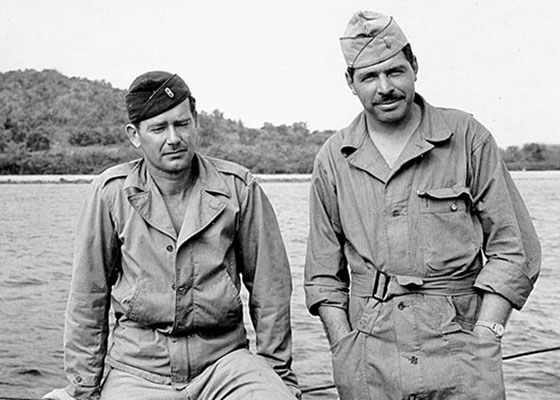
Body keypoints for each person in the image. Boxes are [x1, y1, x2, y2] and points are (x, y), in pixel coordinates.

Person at [304, 11, 541, 400]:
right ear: (350, 82)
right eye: (368, 76)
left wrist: (487, 333)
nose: (385, 87)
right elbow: (323, 277)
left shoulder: (467, 137)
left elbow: (515, 249)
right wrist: (343, 346)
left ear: (414, 66)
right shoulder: (333, 159)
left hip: (464, 354)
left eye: (395, 71)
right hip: (369, 359)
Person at [43, 71, 300, 400]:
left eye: (181, 124)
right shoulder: (111, 193)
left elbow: (271, 290)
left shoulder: (239, 188)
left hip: (225, 363)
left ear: (196, 123)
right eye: (158, 128)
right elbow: (87, 298)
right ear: (135, 136)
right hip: (138, 370)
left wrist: (277, 377)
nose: (174, 138)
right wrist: (82, 390)